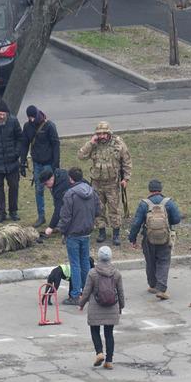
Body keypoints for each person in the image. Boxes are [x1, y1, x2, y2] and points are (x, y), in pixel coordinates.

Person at [77, 121, 132, 246]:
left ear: (108, 133)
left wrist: (126, 179)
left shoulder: (118, 143)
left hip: (112, 183)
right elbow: (81, 156)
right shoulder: (93, 144)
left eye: (104, 133)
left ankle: (116, 233)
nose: (101, 136)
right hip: (97, 183)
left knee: (114, 209)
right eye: (99, 133)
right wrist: (91, 143)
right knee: (98, 209)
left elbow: (127, 161)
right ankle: (101, 231)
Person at [128, 179, 181, 300]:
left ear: (149, 189)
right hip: (165, 237)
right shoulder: (168, 202)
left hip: (148, 238)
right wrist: (167, 224)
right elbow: (177, 218)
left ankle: (152, 285)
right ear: (161, 189)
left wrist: (133, 238)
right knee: (163, 261)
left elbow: (136, 223)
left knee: (150, 261)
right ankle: (161, 289)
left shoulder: (144, 203)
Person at [56, 167, 101, 306]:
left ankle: (75, 295)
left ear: (70, 178)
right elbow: (98, 210)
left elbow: (65, 216)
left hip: (73, 234)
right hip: (86, 232)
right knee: (85, 262)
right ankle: (88, 292)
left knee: (75, 264)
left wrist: (62, 230)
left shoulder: (70, 194)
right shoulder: (92, 191)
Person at [78, 246, 125, 370]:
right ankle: (109, 361)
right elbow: (120, 292)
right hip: (112, 307)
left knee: (95, 330)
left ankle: (99, 353)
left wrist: (81, 304)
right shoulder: (116, 273)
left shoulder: (93, 272)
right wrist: (121, 306)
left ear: (99, 257)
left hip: (95, 307)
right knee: (109, 333)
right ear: (110, 257)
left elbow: (87, 291)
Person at [20, 105, 61, 228]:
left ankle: (58, 217)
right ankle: (41, 216)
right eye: (29, 117)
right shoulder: (27, 126)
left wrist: (55, 164)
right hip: (37, 163)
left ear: (38, 114)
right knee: (38, 190)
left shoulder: (49, 126)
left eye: (33, 117)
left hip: (49, 163)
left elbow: (55, 145)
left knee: (55, 190)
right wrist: (22, 162)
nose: (32, 120)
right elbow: (24, 143)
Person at [38, 167, 73, 238]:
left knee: (66, 208)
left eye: (46, 184)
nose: (46, 186)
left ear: (51, 178)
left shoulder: (60, 188)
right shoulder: (58, 174)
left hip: (82, 201)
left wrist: (50, 227)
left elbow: (58, 209)